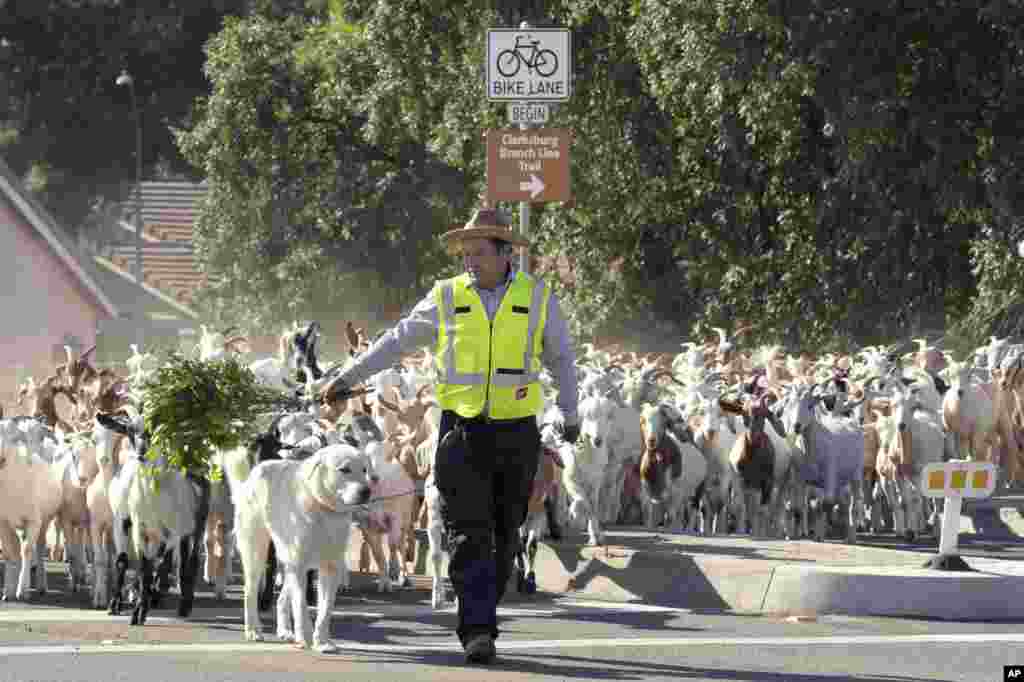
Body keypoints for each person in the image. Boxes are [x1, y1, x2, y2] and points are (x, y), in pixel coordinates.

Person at [320, 207, 579, 664]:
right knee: (466, 529)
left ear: (504, 253)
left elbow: (561, 359)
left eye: (478, 252)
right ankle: (477, 628)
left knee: (505, 530)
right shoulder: (445, 296)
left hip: (517, 432)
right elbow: (397, 340)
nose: (469, 262)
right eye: (465, 253)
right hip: (460, 431)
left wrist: (571, 413)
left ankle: (483, 608)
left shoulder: (538, 298)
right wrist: (348, 376)